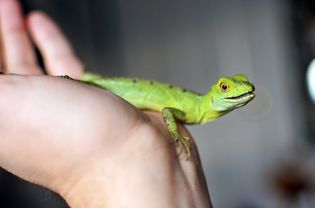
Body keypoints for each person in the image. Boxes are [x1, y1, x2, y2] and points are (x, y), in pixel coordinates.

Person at [0, 0, 212, 207]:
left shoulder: (195, 107)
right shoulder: (191, 108)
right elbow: (166, 111)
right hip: (106, 88)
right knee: (80, 82)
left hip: (108, 94)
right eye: (224, 87)